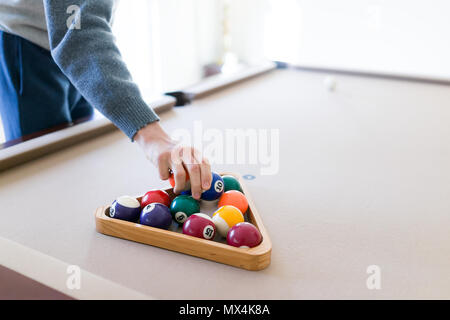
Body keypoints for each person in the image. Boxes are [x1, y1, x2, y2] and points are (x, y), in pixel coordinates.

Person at [0, 0, 211, 198]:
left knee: (75, 166)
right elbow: (79, 37)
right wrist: (153, 136)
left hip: (77, 41)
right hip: (25, 43)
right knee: (42, 180)